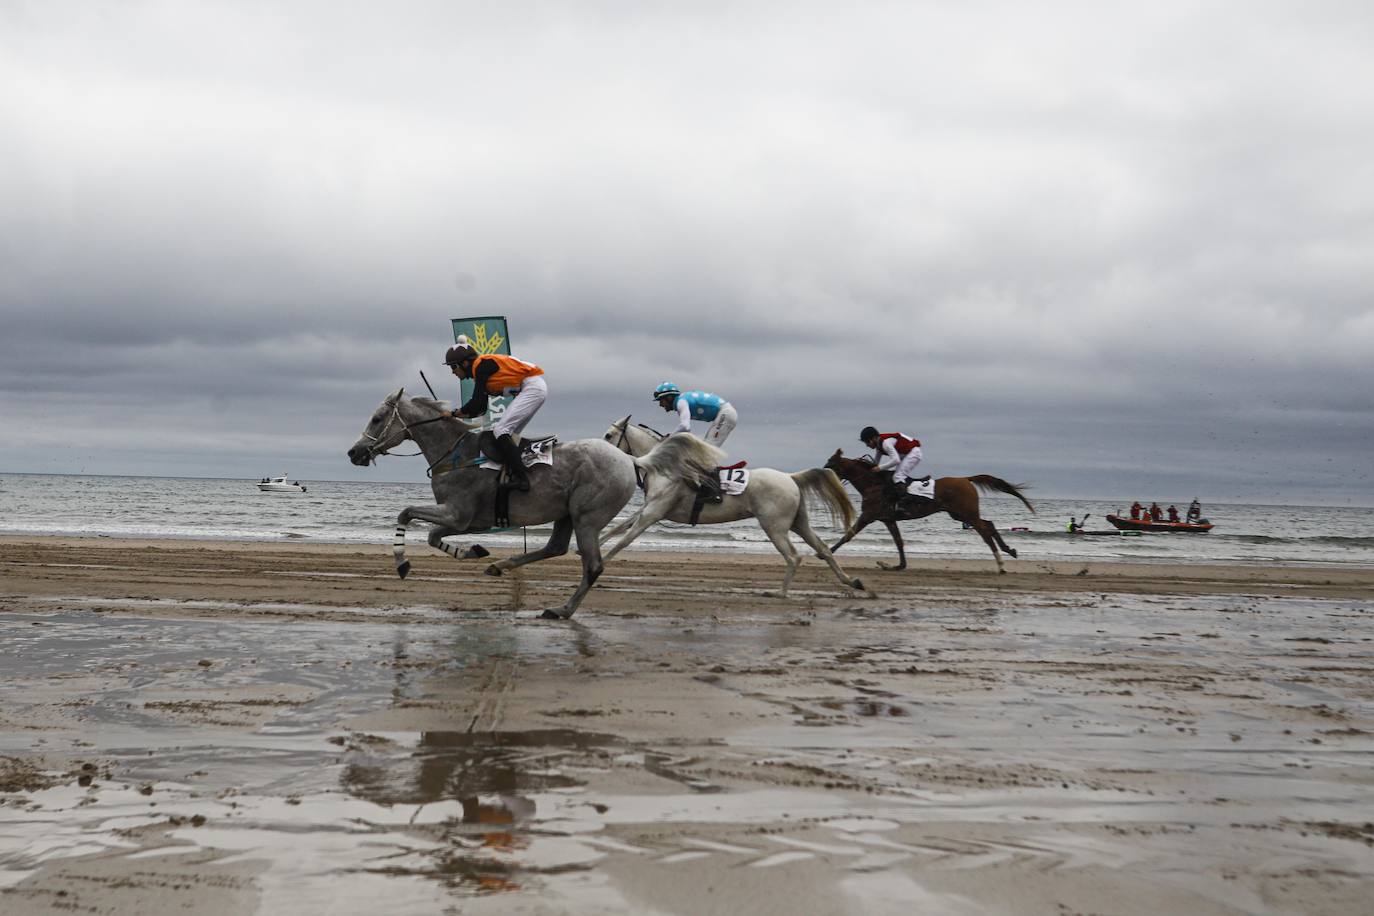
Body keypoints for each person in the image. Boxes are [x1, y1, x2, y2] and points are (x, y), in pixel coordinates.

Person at [443, 337, 546, 491]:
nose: (452, 373)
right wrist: (457, 415)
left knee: (500, 430)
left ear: (464, 363)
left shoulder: (481, 366)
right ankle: (511, 473)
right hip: (531, 389)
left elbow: (476, 402)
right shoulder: (481, 372)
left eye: (453, 367)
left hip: (532, 388)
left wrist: (454, 413)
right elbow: (481, 408)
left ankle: (522, 478)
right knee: (508, 435)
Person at [652, 382, 737, 447]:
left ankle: (709, 469)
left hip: (726, 413)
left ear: (669, 397)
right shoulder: (682, 400)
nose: (660, 405)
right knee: (705, 447)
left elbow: (685, 427)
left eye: (661, 400)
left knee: (707, 449)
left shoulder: (681, 402)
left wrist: (669, 438)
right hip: (726, 413)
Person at [859, 426, 924, 506]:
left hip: (914, 453)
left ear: (874, 438)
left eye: (867, 442)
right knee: (893, 475)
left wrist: (879, 468)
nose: (867, 445)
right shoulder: (879, 446)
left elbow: (896, 460)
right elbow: (875, 463)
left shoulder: (885, 443)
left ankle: (904, 502)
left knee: (898, 476)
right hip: (905, 454)